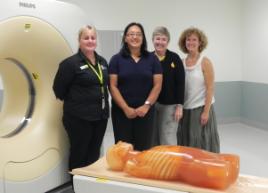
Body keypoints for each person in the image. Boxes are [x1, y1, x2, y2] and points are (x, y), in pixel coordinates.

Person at [53, 25, 109, 171]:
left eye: (93, 37)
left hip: (100, 117)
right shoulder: (70, 64)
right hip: (79, 118)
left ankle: (88, 185)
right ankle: (77, 187)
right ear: (79, 40)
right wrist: (79, 101)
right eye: (86, 38)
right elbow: (58, 90)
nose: (90, 41)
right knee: (79, 153)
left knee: (94, 153)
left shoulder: (102, 62)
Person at [109, 22, 162, 151]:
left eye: (138, 34)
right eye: (131, 34)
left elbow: (157, 85)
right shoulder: (116, 59)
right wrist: (125, 108)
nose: (135, 37)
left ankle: (140, 172)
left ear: (143, 38)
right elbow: (112, 86)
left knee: (143, 150)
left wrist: (146, 105)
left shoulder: (152, 59)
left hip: (146, 113)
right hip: (122, 113)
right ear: (125, 38)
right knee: (123, 150)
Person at [177, 27, 220, 153]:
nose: (191, 42)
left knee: (202, 141)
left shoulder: (205, 62)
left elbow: (210, 88)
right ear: (184, 42)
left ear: (200, 42)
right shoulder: (181, 62)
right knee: (186, 141)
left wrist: (206, 112)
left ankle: (205, 170)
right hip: (186, 110)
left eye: (194, 39)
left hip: (201, 108)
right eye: (188, 40)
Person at [152, 26, 185, 145]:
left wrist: (180, 106)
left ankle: (170, 163)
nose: (160, 42)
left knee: (168, 137)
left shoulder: (174, 58)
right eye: (157, 38)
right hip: (151, 105)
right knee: (152, 137)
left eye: (163, 39)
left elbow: (180, 83)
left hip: (170, 106)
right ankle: (155, 163)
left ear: (168, 42)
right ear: (153, 40)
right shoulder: (147, 58)